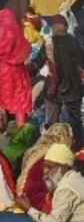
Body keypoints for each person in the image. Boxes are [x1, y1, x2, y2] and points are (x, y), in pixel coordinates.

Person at [11, 143, 84, 222]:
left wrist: (29, 209)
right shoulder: (73, 179)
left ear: (63, 167)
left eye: (50, 167)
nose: (45, 171)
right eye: (45, 167)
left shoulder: (66, 189)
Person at [0, 7, 34, 125]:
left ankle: (1, 127)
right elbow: (27, 52)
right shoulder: (19, 39)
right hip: (19, 75)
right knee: (20, 104)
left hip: (3, 78)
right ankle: (22, 129)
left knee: (1, 102)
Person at [46, 16, 83, 146]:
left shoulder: (49, 43)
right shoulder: (73, 41)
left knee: (52, 123)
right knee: (75, 123)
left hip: (54, 89)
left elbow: (36, 63)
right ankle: (76, 147)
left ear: (54, 27)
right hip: (73, 89)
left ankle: (53, 147)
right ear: (65, 27)